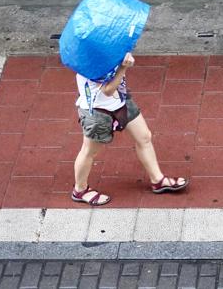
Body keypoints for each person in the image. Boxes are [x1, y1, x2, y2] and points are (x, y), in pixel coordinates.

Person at [71, 53, 187, 205]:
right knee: (89, 152)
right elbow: (108, 90)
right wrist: (123, 67)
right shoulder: (88, 61)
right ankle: (80, 190)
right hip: (98, 113)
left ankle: (158, 179)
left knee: (144, 137)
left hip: (121, 101)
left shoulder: (107, 48)